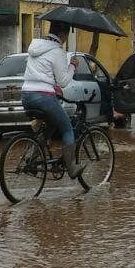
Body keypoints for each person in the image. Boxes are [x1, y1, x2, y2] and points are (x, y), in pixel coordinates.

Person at [21, 20, 86, 180]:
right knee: (67, 128)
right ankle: (71, 167)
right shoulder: (57, 51)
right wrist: (72, 66)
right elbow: (63, 81)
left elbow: (41, 74)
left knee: (50, 125)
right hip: (44, 97)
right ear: (63, 34)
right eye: (66, 36)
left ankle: (31, 157)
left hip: (26, 95)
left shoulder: (35, 46)